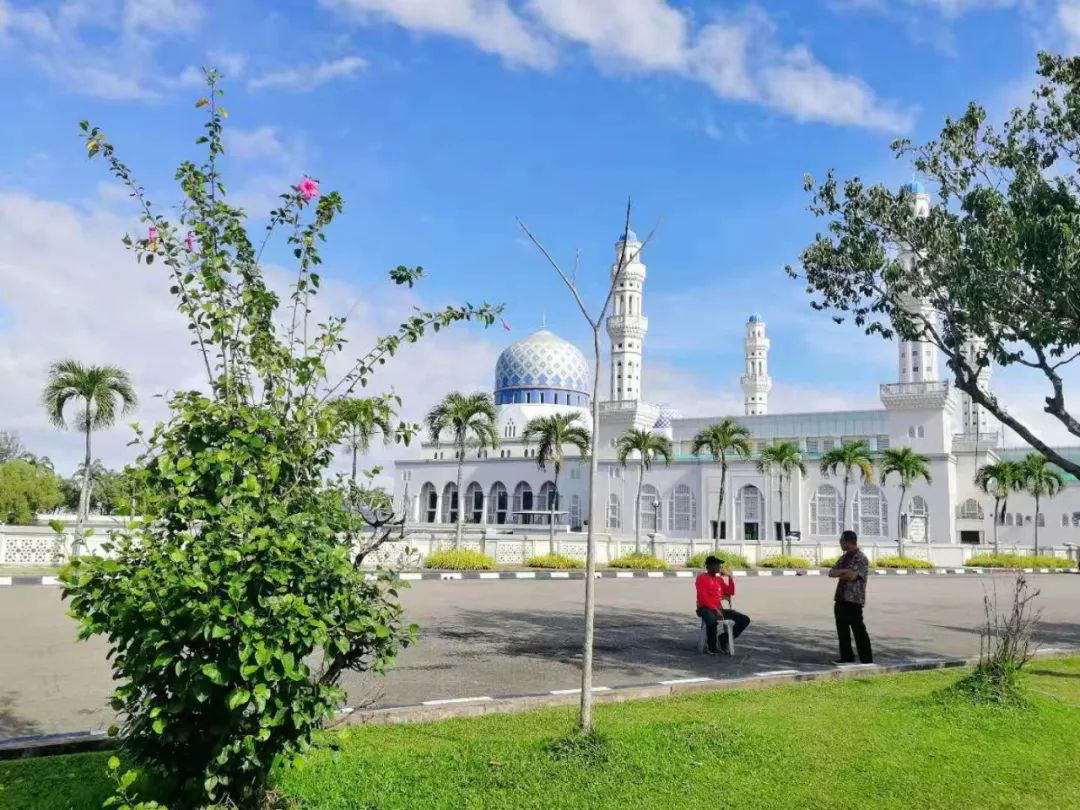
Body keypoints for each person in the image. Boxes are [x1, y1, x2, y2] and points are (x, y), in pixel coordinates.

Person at [828, 529, 873, 664]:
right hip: (841, 598)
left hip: (854, 600)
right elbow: (831, 572)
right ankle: (847, 657)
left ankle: (866, 659)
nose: (840, 544)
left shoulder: (861, 558)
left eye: (842, 541)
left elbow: (853, 576)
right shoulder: (844, 557)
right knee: (842, 630)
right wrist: (845, 571)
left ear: (849, 542)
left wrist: (843, 573)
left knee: (859, 630)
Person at [695, 555, 751, 654]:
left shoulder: (719, 580)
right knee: (712, 619)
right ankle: (711, 647)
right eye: (718, 565)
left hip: (718, 609)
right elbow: (703, 597)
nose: (720, 567)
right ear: (710, 566)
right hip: (704, 608)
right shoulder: (702, 578)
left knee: (744, 619)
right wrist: (714, 609)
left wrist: (730, 577)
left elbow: (730, 592)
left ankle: (723, 639)